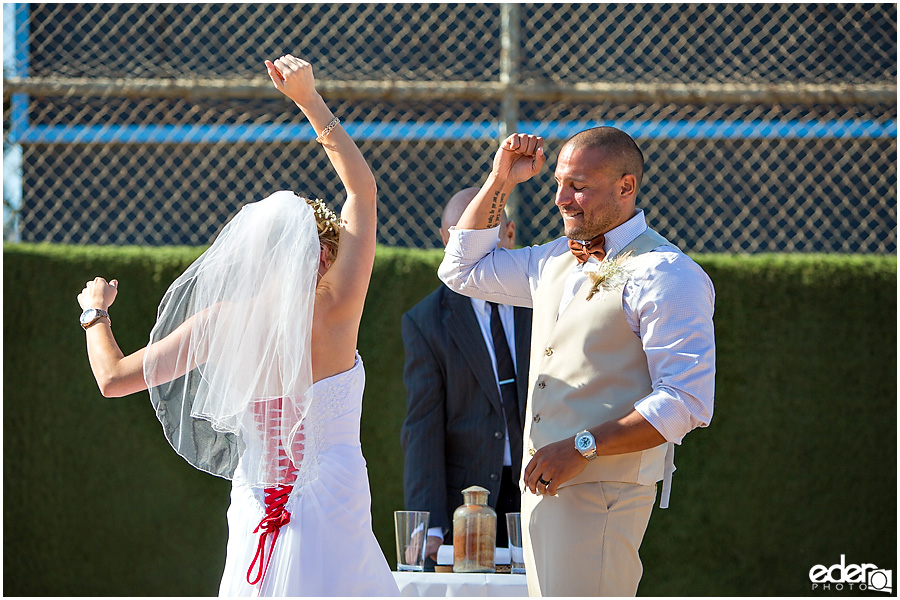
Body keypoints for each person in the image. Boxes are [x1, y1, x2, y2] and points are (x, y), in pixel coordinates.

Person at [76, 54, 399, 597]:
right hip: (335, 502)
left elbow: (113, 380)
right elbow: (362, 192)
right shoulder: (338, 307)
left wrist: (95, 311)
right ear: (324, 254)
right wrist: (307, 99)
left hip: (256, 502)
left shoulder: (222, 322)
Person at [438, 129, 715, 596]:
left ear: (626, 187)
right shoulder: (551, 260)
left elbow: (686, 402)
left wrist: (583, 446)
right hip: (547, 496)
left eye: (579, 186)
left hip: (607, 496)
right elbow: (461, 269)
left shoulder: (668, 274)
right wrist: (500, 178)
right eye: (560, 183)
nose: (562, 199)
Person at [400, 188, 532, 568]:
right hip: (470, 499)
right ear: (447, 241)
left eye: (485, 239)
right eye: (462, 240)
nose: (474, 254)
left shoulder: (542, 299)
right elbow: (422, 426)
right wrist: (430, 525)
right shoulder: (427, 321)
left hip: (542, 483)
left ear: (508, 234)